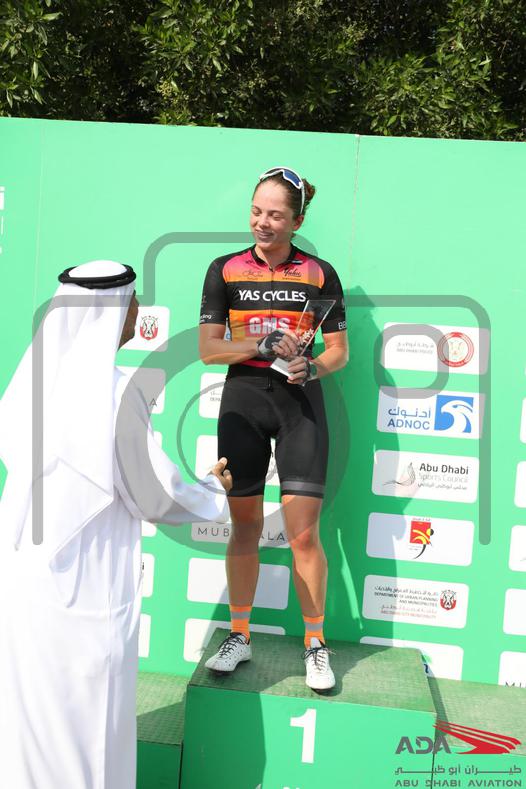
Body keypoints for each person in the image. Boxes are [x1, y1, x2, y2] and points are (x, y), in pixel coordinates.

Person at [0, 260, 232, 789]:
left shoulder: (35, 382)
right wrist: (212, 490)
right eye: (131, 302)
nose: (137, 311)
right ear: (111, 311)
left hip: (23, 586)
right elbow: (153, 494)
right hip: (83, 593)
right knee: (88, 733)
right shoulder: (113, 392)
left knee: (31, 735)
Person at [199, 167, 348, 691]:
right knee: (244, 527)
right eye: (256, 211)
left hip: (298, 405)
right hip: (243, 402)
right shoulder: (224, 269)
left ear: (297, 221)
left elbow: (339, 352)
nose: (262, 222)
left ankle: (315, 643)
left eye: (275, 215)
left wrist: (315, 367)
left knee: (304, 534)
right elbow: (208, 350)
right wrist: (257, 346)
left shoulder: (320, 273)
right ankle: (239, 635)